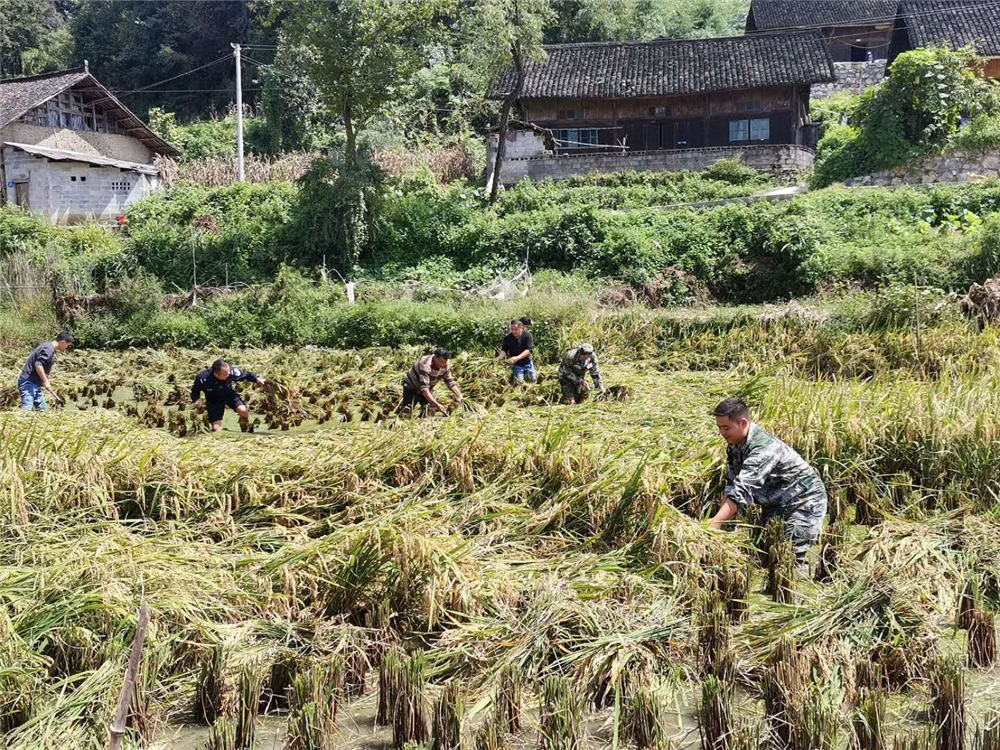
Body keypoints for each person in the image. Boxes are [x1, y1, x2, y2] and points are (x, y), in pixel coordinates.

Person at [708, 398, 827, 573]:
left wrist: (715, 522)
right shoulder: (734, 446)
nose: (722, 433)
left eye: (726, 428)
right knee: (769, 553)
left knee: (793, 559)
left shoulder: (763, 448)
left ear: (742, 423)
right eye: (719, 428)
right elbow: (732, 485)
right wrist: (720, 523)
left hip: (803, 501)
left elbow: (742, 491)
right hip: (775, 502)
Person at [190, 358, 266, 432]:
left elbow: (247, 374)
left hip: (229, 395)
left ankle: (246, 426)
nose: (228, 375)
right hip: (213, 400)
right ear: (216, 374)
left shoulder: (232, 372)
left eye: (228, 372)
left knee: (243, 411)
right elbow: (195, 391)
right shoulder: (203, 378)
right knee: (217, 429)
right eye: (225, 374)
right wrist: (197, 400)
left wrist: (257, 379)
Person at [17, 332, 73, 411]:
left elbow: (41, 365)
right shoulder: (48, 349)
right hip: (28, 383)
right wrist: (45, 381)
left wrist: (46, 376)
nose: (67, 347)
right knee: (27, 407)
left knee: (42, 409)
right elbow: (38, 364)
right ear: (63, 342)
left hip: (35, 383)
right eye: (67, 345)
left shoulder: (48, 347)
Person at [401, 348, 463, 416]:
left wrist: (459, 395)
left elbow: (450, 381)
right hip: (412, 386)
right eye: (441, 362)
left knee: (430, 410)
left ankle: (424, 424)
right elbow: (424, 388)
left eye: (445, 362)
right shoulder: (426, 364)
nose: (443, 365)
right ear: (435, 357)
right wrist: (437, 404)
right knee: (406, 412)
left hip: (427, 387)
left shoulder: (445, 366)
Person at [498, 318, 536, 383]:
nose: (513, 331)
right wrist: (499, 358)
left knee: (533, 381)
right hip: (517, 365)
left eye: (516, 329)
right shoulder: (508, 338)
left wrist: (517, 358)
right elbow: (504, 350)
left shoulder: (528, 336)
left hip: (528, 363)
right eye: (512, 329)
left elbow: (529, 350)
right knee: (520, 383)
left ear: (521, 328)